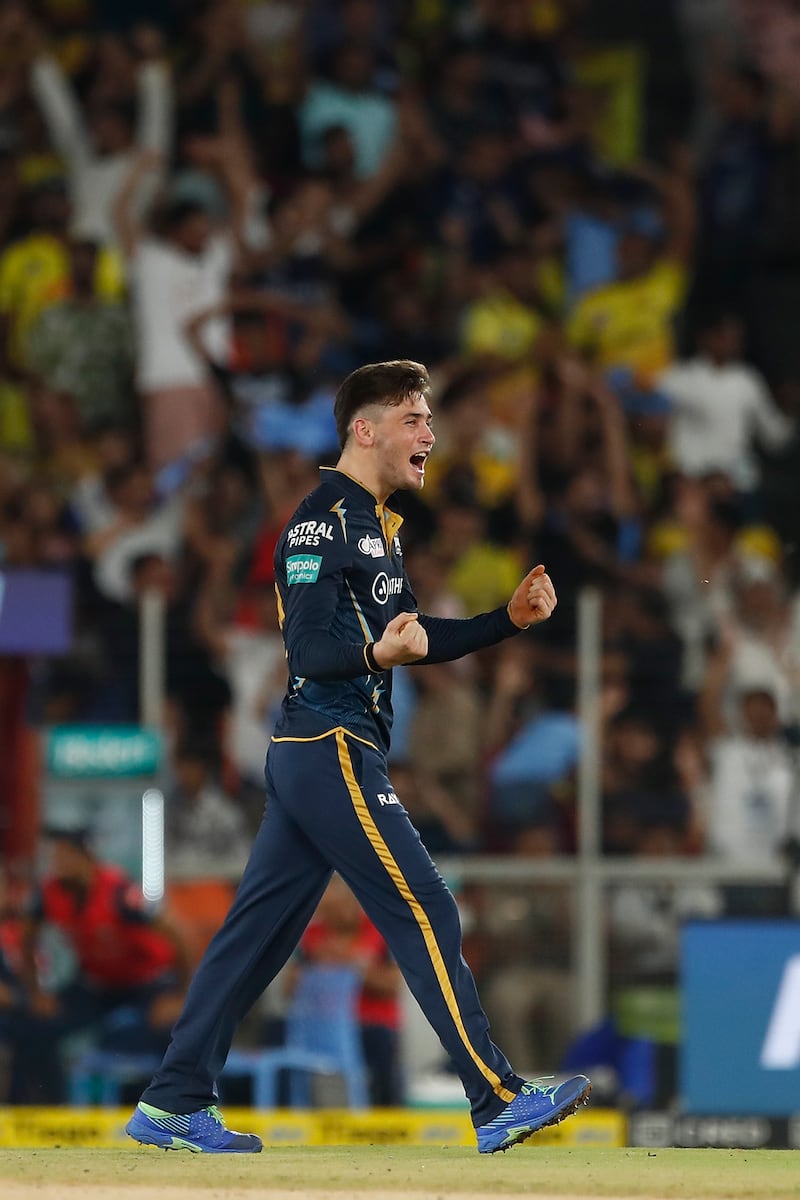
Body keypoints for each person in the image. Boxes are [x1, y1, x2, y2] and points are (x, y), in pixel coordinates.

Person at [125, 359, 590, 1155]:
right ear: (363, 430)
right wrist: (378, 654)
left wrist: (506, 620)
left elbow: (412, 638)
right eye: (414, 418)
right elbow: (311, 646)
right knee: (427, 907)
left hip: (321, 748)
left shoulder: (373, 528)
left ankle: (172, 1103)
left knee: (255, 940)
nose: (431, 434)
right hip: (330, 744)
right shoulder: (320, 524)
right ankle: (497, 1096)